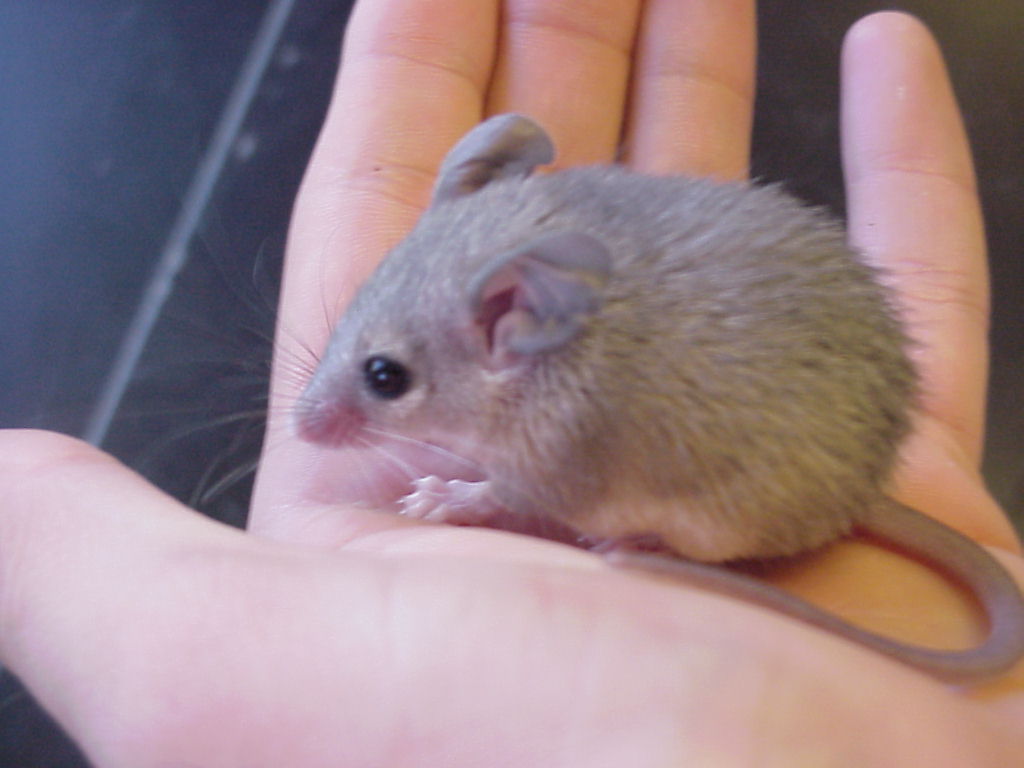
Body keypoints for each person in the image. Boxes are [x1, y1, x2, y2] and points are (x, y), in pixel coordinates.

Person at [2, 1, 1021, 765]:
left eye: (385, 379)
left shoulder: (559, 408)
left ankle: (714, 542)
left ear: (511, 326)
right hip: (803, 368)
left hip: (780, 466)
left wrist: (486, 498)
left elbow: (574, 493)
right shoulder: (520, 293)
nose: (320, 416)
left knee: (650, 493)